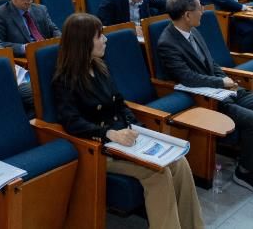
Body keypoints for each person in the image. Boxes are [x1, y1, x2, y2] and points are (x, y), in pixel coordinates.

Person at [53, 13, 204, 229]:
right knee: (158, 174)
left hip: (127, 140)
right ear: (83, 42)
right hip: (100, 150)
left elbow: (120, 103)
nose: (105, 39)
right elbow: (72, 122)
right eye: (99, 36)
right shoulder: (64, 80)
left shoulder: (100, 67)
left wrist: (138, 129)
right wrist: (109, 134)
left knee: (180, 163)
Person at [158, 0, 253, 198]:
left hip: (223, 90)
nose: (203, 11)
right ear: (187, 15)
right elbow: (187, 77)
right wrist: (220, 83)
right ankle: (246, 172)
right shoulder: (167, 42)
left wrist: (226, 80)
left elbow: (211, 63)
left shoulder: (193, 30)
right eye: (199, 7)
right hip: (206, 98)